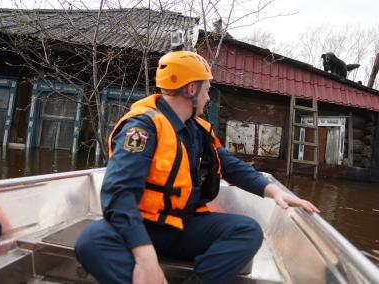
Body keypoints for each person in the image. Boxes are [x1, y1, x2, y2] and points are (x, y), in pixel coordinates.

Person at [75, 50, 320, 284]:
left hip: (181, 225)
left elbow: (229, 165)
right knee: (92, 241)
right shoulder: (141, 128)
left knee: (247, 231)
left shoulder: (196, 130)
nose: (208, 97)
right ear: (192, 88)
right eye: (207, 89)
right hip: (141, 225)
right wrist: (144, 255)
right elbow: (119, 193)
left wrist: (273, 190)